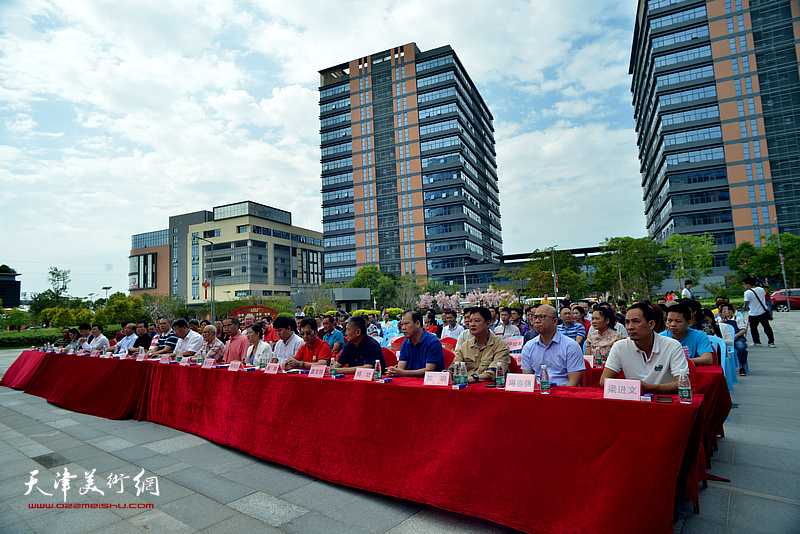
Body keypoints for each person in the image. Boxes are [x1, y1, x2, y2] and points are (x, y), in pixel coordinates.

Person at [600, 303, 690, 393]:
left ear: (651, 324)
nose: (630, 327)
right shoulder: (619, 347)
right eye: (627, 322)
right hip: (634, 400)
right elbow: (604, 381)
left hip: (664, 401)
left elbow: (682, 383)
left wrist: (649, 388)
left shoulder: (672, 346)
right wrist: (631, 386)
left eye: (636, 321)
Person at [521, 305, 584, 387]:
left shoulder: (571, 346)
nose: (536, 321)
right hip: (538, 393)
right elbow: (527, 381)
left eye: (542, 317)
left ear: (555, 322)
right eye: (535, 317)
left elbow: (573, 383)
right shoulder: (529, 346)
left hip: (564, 393)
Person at [451, 307, 510, 384]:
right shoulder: (465, 346)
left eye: (476, 321)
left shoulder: (500, 345)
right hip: (465, 387)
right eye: (470, 321)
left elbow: (494, 372)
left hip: (488, 390)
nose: (472, 324)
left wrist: (473, 378)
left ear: (488, 324)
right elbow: (454, 368)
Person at [387, 311, 445, 377]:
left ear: (417, 324)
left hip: (431, 383)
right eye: (402, 324)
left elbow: (429, 370)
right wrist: (394, 371)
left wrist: (404, 373)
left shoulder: (433, 342)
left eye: (406, 324)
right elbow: (401, 367)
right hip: (411, 381)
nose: (403, 328)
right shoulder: (405, 343)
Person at [743, 276, 775, 347]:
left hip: (753, 313)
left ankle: (757, 342)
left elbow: (746, 302)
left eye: (744, 284)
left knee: (753, 328)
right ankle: (771, 341)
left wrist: (745, 307)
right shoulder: (761, 289)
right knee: (767, 327)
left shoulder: (747, 292)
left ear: (748, 284)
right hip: (763, 312)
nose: (744, 286)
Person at [718, 303, 749, 375]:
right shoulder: (720, 320)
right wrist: (723, 319)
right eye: (724, 310)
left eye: (728, 309)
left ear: (732, 311)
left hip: (737, 338)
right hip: (725, 339)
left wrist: (736, 335)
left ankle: (742, 367)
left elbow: (743, 330)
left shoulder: (737, 319)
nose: (726, 311)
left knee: (742, 348)